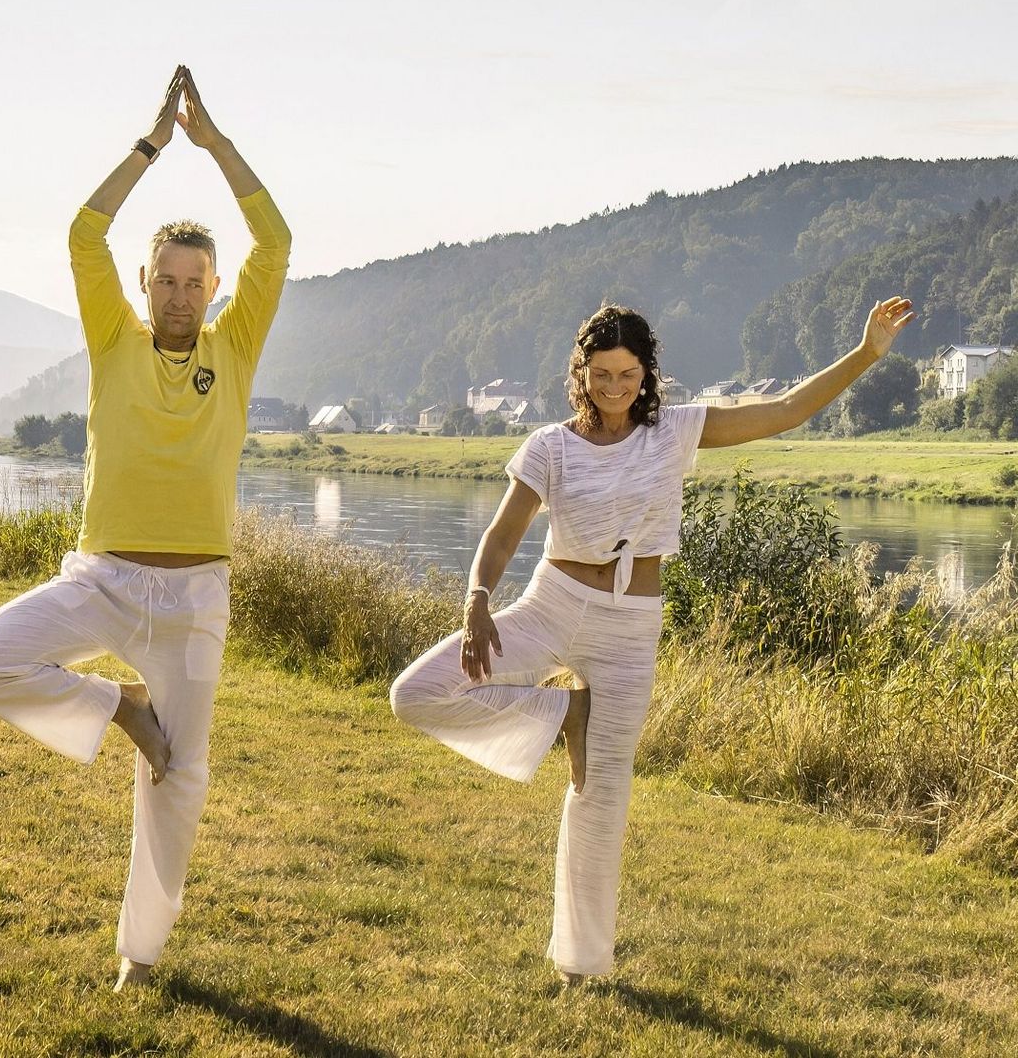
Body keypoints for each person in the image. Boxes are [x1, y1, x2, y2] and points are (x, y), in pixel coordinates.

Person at [388, 296, 915, 985]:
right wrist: (478, 596)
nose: (613, 389)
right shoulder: (549, 445)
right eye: (601, 374)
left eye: (627, 375)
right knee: (417, 692)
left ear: (647, 374)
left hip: (630, 624)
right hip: (552, 603)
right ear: (580, 373)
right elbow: (503, 533)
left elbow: (786, 410)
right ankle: (564, 714)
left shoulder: (675, 432)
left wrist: (867, 353)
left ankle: (583, 964)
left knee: (600, 795)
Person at [0, 65, 291, 991]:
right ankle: (119, 709)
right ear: (142, 285)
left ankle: (139, 955)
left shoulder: (236, 346)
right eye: (165, 280)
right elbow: (82, 229)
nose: (179, 295)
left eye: (195, 282)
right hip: (99, 580)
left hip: (194, 602)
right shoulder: (112, 338)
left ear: (216, 289)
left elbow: (277, 237)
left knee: (181, 778)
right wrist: (151, 146)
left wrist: (212, 144)